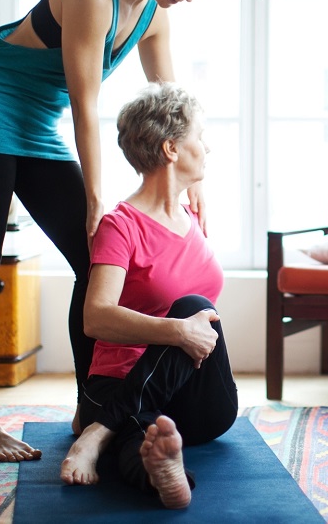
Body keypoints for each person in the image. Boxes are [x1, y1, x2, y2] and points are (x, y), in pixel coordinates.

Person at [0, 0, 226, 462]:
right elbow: (86, 105)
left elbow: (174, 106)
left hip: (38, 124)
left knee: (93, 265)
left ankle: (91, 405)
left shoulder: (154, 15)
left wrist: (196, 186)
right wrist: (96, 196)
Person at [59, 83, 236, 509]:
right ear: (172, 148)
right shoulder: (121, 225)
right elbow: (96, 318)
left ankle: (97, 431)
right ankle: (166, 477)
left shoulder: (191, 214)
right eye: (200, 137)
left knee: (198, 311)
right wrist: (176, 331)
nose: (207, 148)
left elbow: (194, 324)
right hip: (122, 384)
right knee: (140, 440)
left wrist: (183, 330)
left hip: (200, 400)